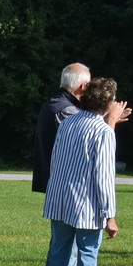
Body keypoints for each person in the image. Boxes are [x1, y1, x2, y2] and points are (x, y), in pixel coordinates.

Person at [40, 77, 123, 266]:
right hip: (87, 206)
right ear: (108, 103)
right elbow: (104, 178)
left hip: (59, 201)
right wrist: (110, 215)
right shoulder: (103, 132)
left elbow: (57, 161)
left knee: (59, 258)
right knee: (87, 261)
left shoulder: (67, 123)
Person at [33, 64, 89, 194]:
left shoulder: (53, 103)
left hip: (54, 179)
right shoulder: (67, 110)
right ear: (83, 86)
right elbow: (86, 140)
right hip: (66, 181)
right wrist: (109, 120)